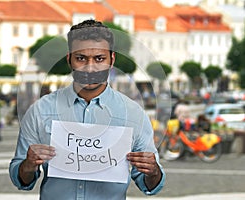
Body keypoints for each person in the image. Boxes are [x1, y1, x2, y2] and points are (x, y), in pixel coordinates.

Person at [9, 19, 165, 199]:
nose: (90, 67)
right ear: (69, 59)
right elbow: (20, 178)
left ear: (112, 60)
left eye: (99, 59)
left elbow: (150, 185)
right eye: (81, 58)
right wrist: (28, 165)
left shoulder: (133, 114)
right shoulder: (40, 110)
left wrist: (153, 171)